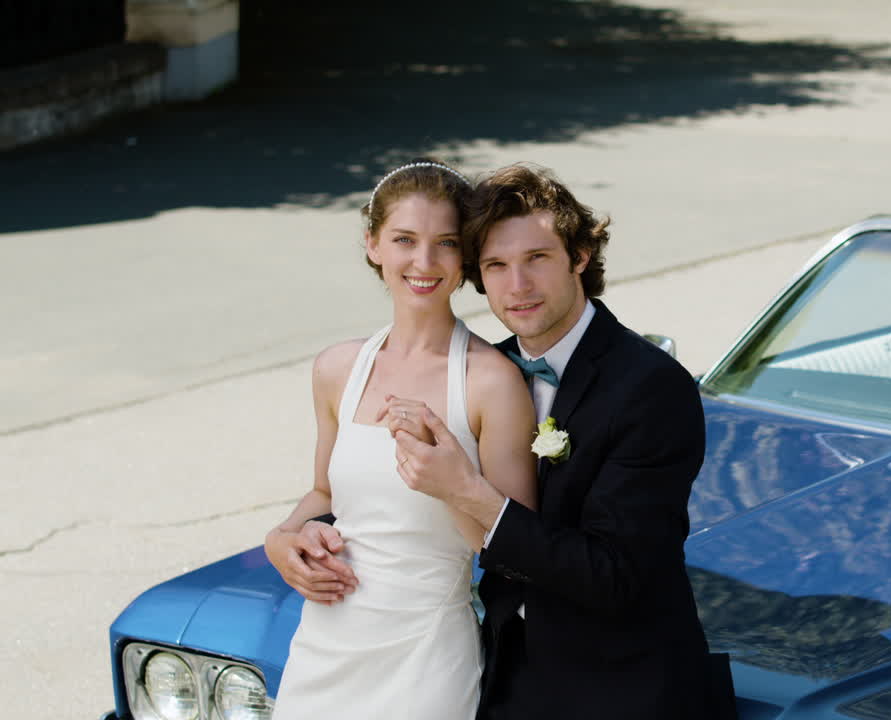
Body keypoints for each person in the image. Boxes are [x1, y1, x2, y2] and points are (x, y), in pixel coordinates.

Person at [387, 163, 738, 719]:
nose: (517, 286)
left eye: (537, 259)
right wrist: (304, 535)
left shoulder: (650, 386)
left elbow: (614, 574)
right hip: (504, 680)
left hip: (627, 690)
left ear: (578, 256)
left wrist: (469, 492)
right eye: (497, 266)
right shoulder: (486, 372)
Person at [262, 159, 537, 719]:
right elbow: (324, 493)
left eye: (446, 243)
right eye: (405, 240)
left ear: (465, 259)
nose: (424, 262)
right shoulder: (338, 368)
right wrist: (283, 540)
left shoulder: (491, 382)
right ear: (372, 244)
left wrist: (448, 480)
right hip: (326, 645)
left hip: (425, 657)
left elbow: (520, 551)